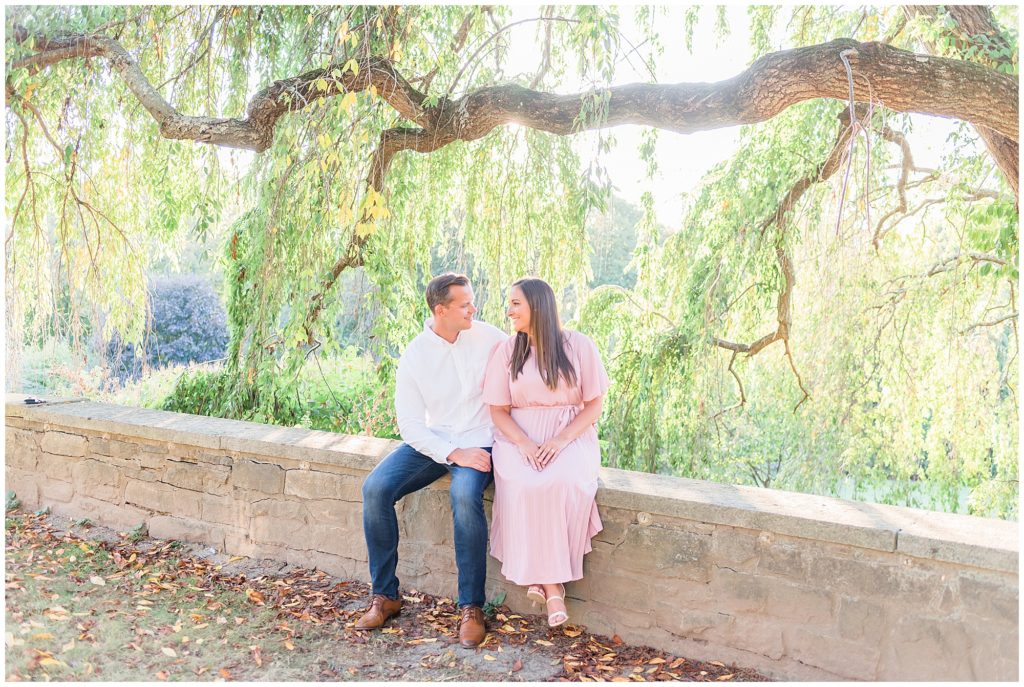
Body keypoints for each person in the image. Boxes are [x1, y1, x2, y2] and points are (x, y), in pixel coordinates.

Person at [356, 273, 507, 648]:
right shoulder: (415, 355)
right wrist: (451, 453)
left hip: (480, 441)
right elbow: (409, 424)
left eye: (473, 301)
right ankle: (386, 595)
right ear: (441, 310)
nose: (474, 308)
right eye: (465, 304)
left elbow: (529, 363)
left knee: (463, 496)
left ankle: (471, 607)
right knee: (375, 489)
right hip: (436, 443)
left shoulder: (491, 338)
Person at [482, 277, 608, 627]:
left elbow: (594, 406)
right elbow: (497, 411)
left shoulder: (579, 346)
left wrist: (560, 440)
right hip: (517, 437)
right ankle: (553, 587)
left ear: (537, 305)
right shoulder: (508, 350)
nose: (508, 311)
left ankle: (543, 579)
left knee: (561, 482)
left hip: (569, 436)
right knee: (526, 485)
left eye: (515, 304)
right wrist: (524, 443)